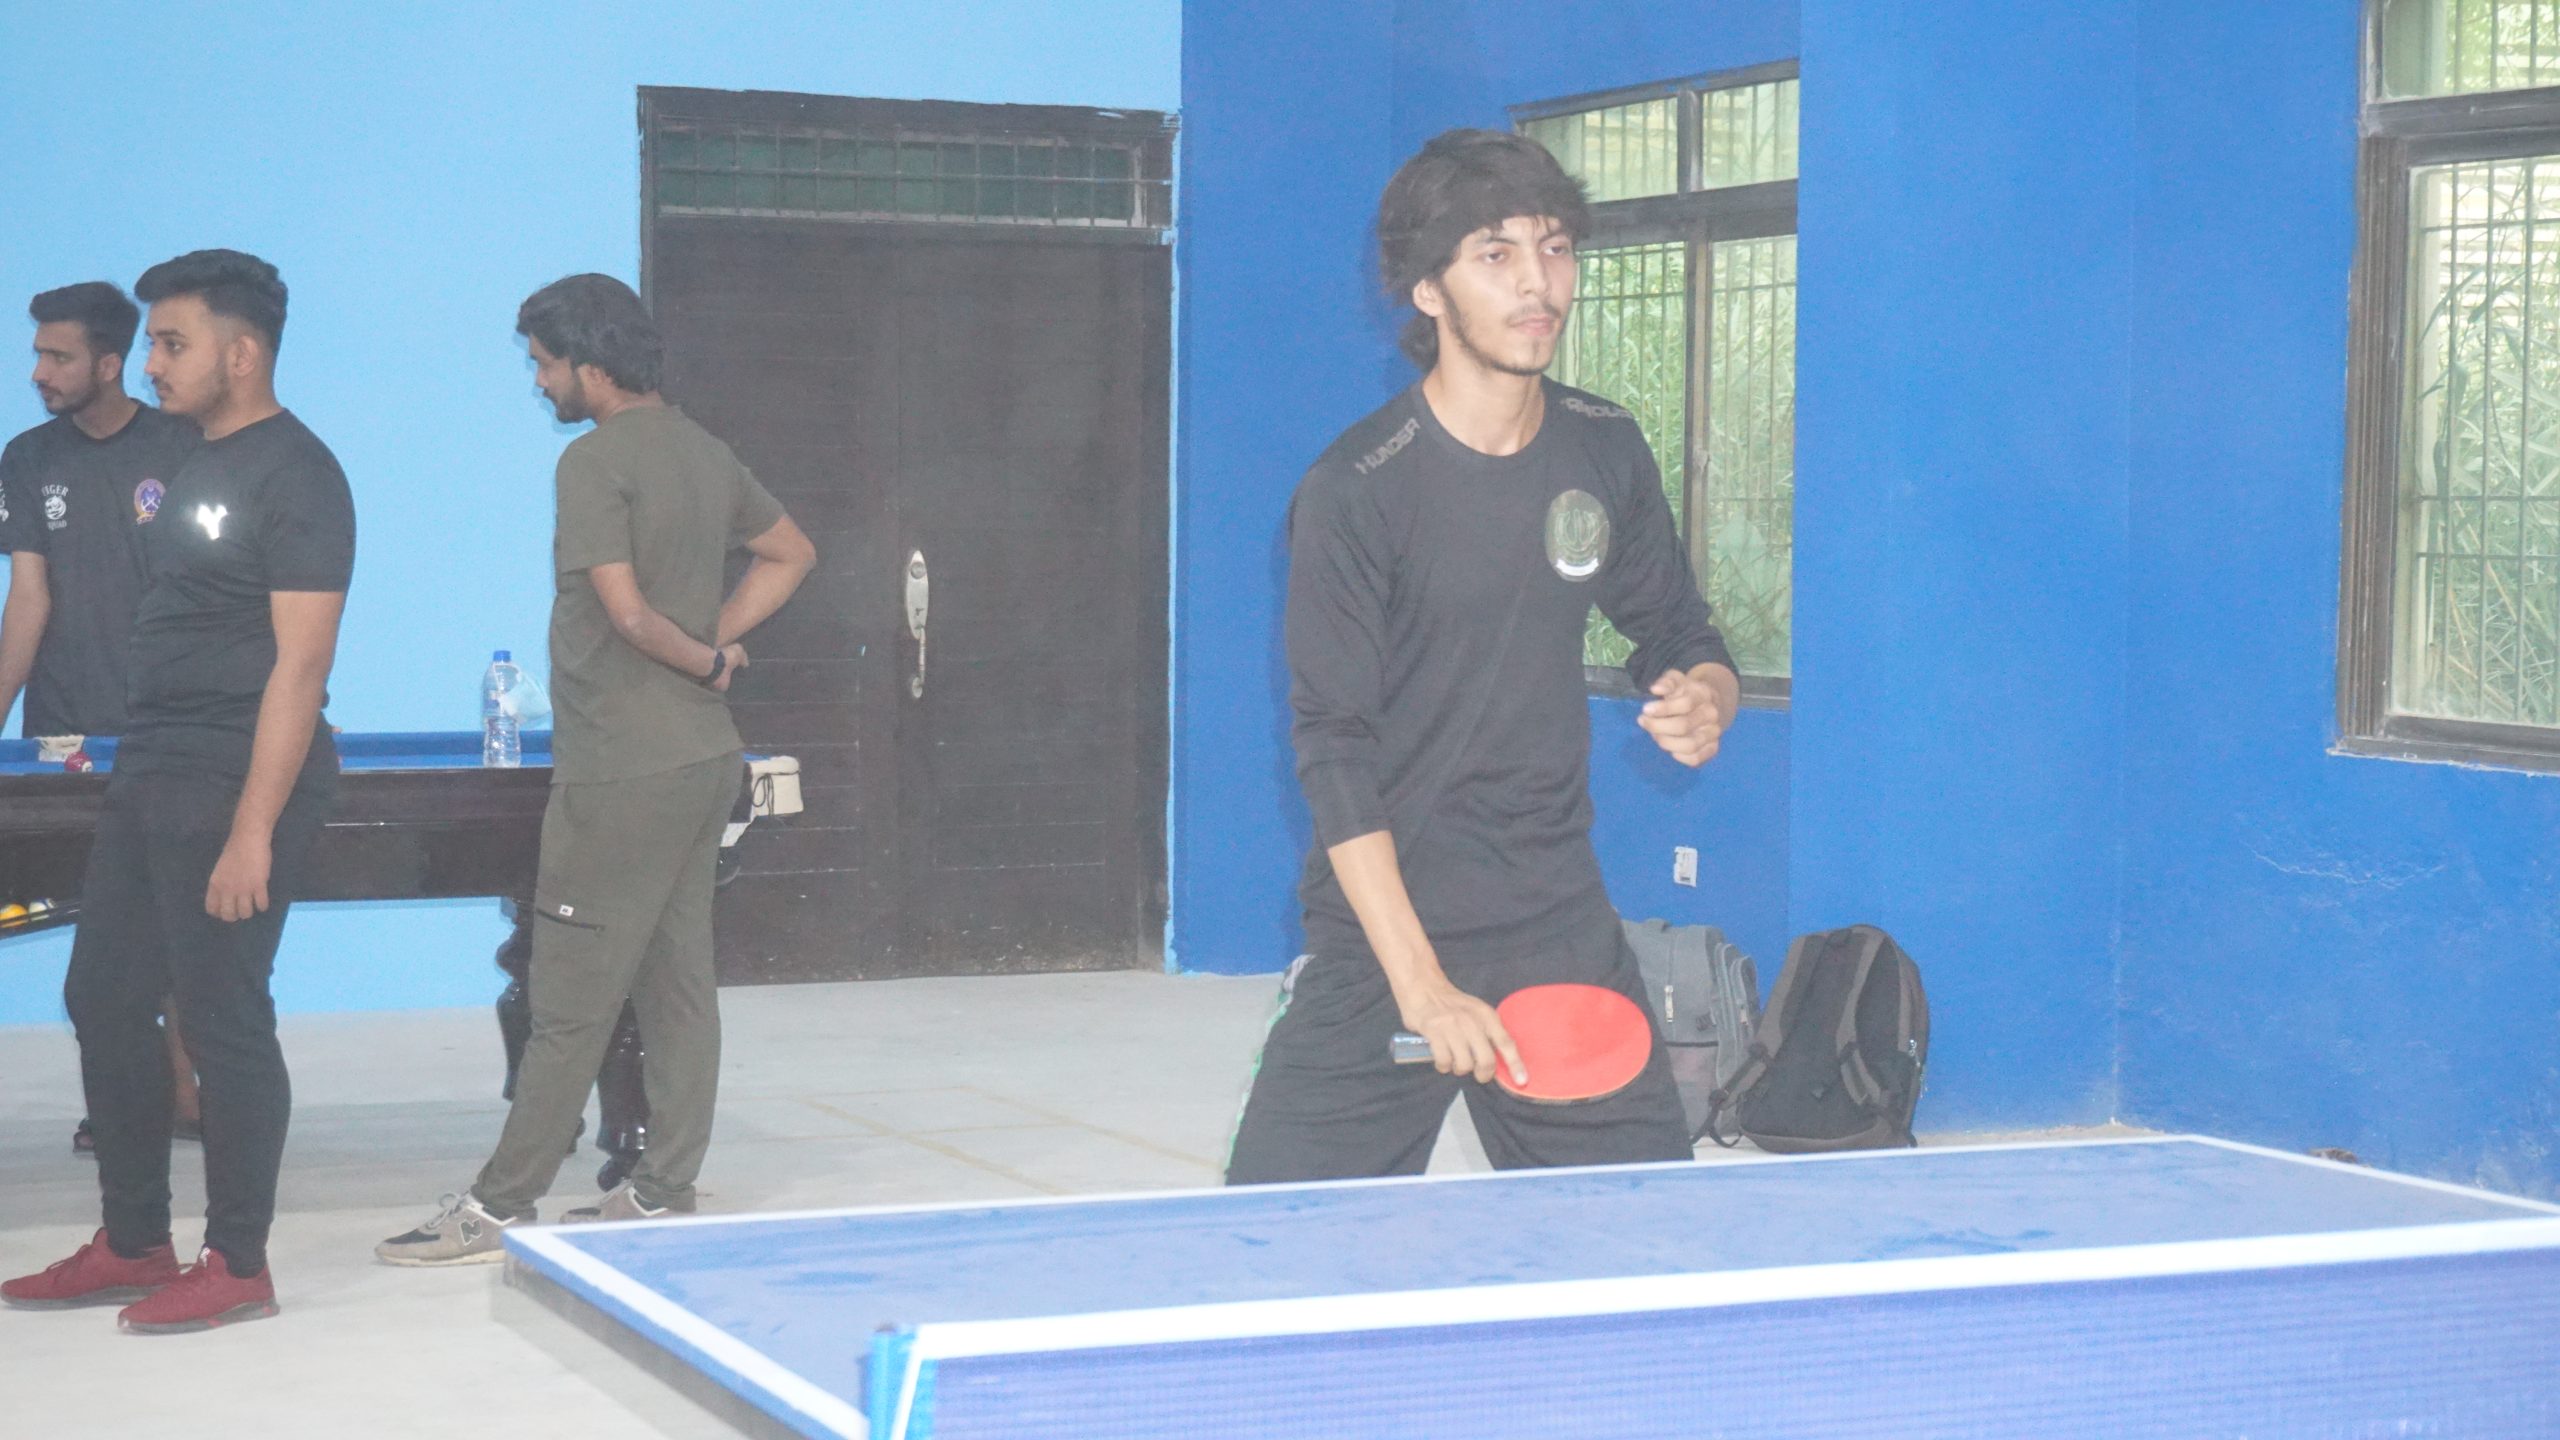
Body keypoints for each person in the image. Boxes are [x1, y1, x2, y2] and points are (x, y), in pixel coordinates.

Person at [1224, 130, 1741, 1184]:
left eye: (1554, 248)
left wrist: (1706, 695)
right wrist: (1422, 989)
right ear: (1428, 290)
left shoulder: (1603, 446)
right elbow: (1334, 749)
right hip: (1386, 938)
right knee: (1273, 1250)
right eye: (1495, 255)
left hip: (1556, 923)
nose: (1536, 283)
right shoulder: (1356, 490)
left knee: (1647, 1240)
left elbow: (1679, 631)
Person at [378, 274, 813, 1265]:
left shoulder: (593, 462)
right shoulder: (704, 452)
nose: (539, 383)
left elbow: (624, 613)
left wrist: (704, 653)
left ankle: (499, 1204)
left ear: (590, 361)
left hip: (622, 767)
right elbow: (791, 552)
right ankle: (662, 1191)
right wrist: (718, 642)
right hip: (702, 759)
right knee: (677, 983)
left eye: (544, 363)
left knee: (568, 996)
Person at [0, 250, 356, 1331]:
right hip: (153, 763)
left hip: (232, 773)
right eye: (152, 342)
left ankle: (238, 1261)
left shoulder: (299, 474)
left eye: (171, 343)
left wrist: (253, 830)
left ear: (239, 354)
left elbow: (300, 666)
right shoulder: (189, 459)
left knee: (219, 1014)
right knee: (104, 995)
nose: (151, 362)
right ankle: (135, 1240)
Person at [0, 283, 208, 1155]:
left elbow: (214, 592)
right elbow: (28, 597)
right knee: (104, 931)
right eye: (38, 355)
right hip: (64, 741)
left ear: (111, 363)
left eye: (59, 357)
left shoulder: (184, 445)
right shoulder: (27, 456)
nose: (40, 372)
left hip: (172, 731)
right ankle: (125, 1099)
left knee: (184, 921)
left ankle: (190, 1093)